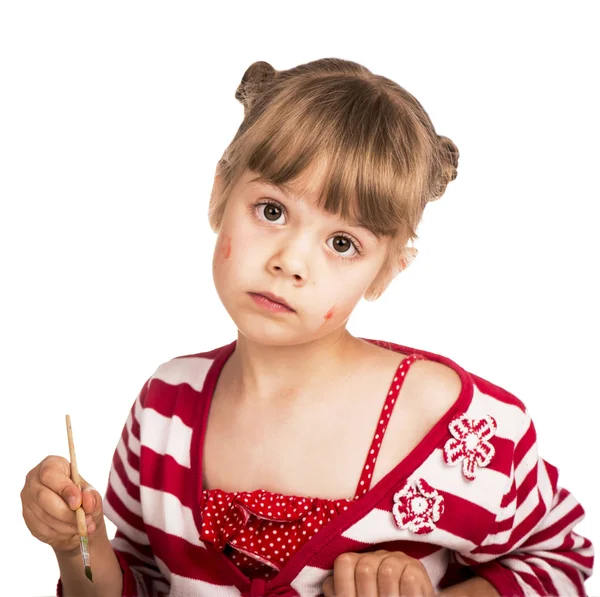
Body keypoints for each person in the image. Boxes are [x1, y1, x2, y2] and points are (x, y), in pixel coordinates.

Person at [21, 58, 594, 597]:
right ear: (220, 191)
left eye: (343, 243)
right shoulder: (165, 407)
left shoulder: (466, 433)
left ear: (388, 271)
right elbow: (140, 580)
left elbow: (563, 563)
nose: (290, 261)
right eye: (271, 210)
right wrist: (78, 545)